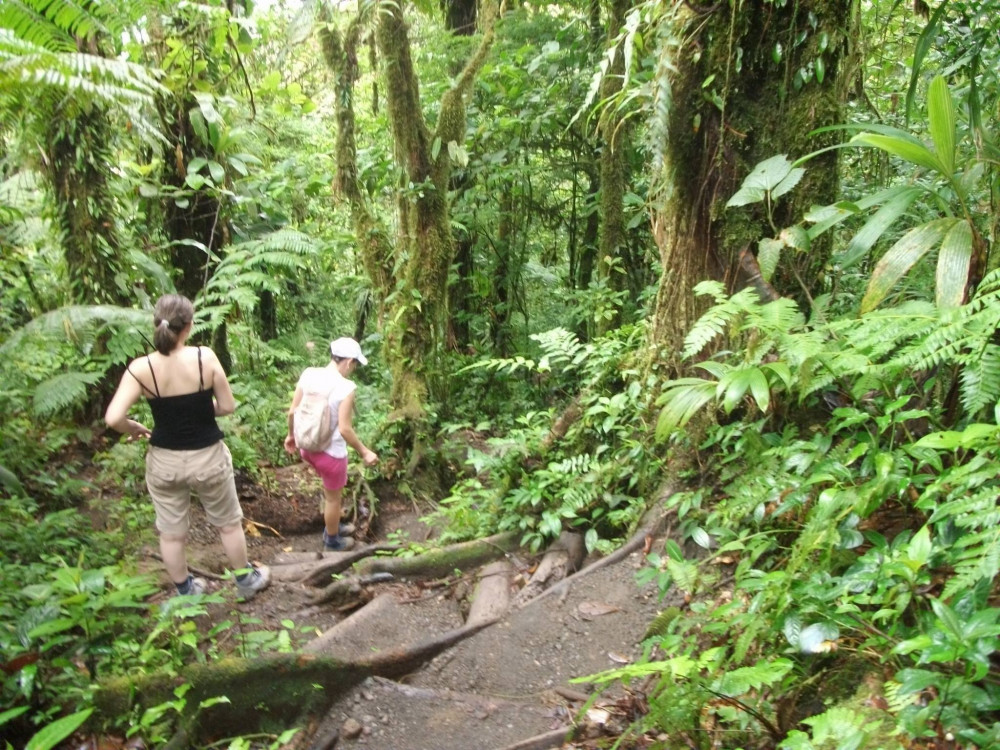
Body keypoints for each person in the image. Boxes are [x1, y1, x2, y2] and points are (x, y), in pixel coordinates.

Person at [104, 294, 271, 599]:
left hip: (164, 460)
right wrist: (204, 409)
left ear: (158, 323)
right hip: (207, 457)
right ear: (189, 326)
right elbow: (228, 406)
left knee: (171, 532)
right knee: (228, 524)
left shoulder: (141, 368)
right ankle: (245, 581)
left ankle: (185, 590)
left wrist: (135, 427)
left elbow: (113, 417)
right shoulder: (204, 357)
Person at [285, 337, 379, 551]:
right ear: (348, 362)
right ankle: (332, 539)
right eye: (354, 365)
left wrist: (291, 436)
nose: (352, 369)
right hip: (331, 455)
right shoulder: (346, 387)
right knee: (333, 499)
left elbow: (292, 411)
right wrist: (365, 452)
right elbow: (345, 429)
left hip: (307, 448)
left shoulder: (309, 374)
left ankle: (332, 525)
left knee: (330, 494)